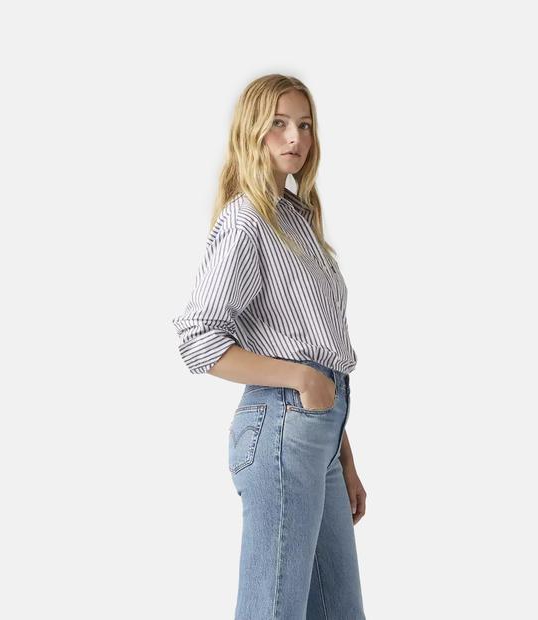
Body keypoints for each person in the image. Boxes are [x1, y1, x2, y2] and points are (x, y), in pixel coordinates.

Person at [171, 73, 366, 619]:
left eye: (304, 124)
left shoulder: (298, 220)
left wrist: (344, 456)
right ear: (251, 131)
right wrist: (300, 378)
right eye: (278, 124)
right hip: (281, 429)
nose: (294, 137)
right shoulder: (247, 220)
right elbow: (197, 337)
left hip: (319, 435)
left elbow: (319, 351)